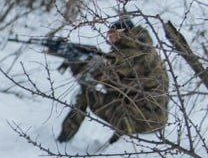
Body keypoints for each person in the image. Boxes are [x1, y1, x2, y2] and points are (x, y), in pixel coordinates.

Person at [57, 17, 168, 145]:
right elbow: (116, 84)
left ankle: (62, 141)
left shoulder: (130, 54)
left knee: (86, 93)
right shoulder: (143, 49)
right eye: (109, 34)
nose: (110, 39)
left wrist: (78, 65)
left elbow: (99, 75)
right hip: (152, 118)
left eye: (114, 35)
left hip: (142, 120)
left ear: (124, 34)